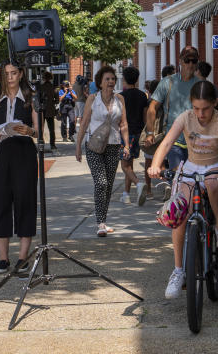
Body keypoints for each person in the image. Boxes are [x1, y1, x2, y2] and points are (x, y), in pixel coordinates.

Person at [148, 81, 218, 298]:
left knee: (213, 184)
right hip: (191, 167)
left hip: (215, 166)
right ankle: (178, 271)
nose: (201, 114)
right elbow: (165, 144)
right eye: (196, 108)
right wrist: (156, 164)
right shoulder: (185, 117)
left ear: (215, 104)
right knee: (180, 213)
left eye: (205, 108)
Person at [0, 60, 39, 274]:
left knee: (25, 201)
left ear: (21, 74)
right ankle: (3, 258)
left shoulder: (30, 98)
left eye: (14, 73)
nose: (10, 78)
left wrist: (28, 131)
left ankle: (22, 257)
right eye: (6, 74)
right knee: (0, 202)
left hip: (23, 152)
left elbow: (37, 130)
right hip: (1, 153)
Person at [75, 66, 130, 236]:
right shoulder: (92, 99)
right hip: (94, 146)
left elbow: (124, 124)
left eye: (113, 79)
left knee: (108, 185)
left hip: (113, 145)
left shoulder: (120, 99)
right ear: (100, 82)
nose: (111, 82)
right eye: (107, 79)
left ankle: (103, 221)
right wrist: (78, 146)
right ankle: (100, 223)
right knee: (101, 183)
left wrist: (126, 144)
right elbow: (84, 123)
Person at [143, 46, 203, 178]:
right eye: (188, 60)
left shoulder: (200, 84)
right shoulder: (168, 82)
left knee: (195, 180)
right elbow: (152, 108)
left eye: (194, 61)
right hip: (173, 140)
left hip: (196, 141)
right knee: (178, 178)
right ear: (180, 61)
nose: (191, 64)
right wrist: (150, 132)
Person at [119, 66, 149, 206]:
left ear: (124, 79)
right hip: (138, 133)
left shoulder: (121, 96)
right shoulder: (143, 95)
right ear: (137, 79)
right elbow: (145, 116)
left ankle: (138, 183)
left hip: (125, 134)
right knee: (129, 164)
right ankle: (126, 194)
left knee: (124, 166)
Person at [38, 72, 58, 151]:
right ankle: (52, 144)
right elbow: (57, 100)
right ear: (50, 78)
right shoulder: (54, 88)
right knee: (51, 129)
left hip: (42, 110)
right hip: (50, 110)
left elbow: (38, 99)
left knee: (41, 128)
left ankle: (41, 143)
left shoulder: (40, 87)